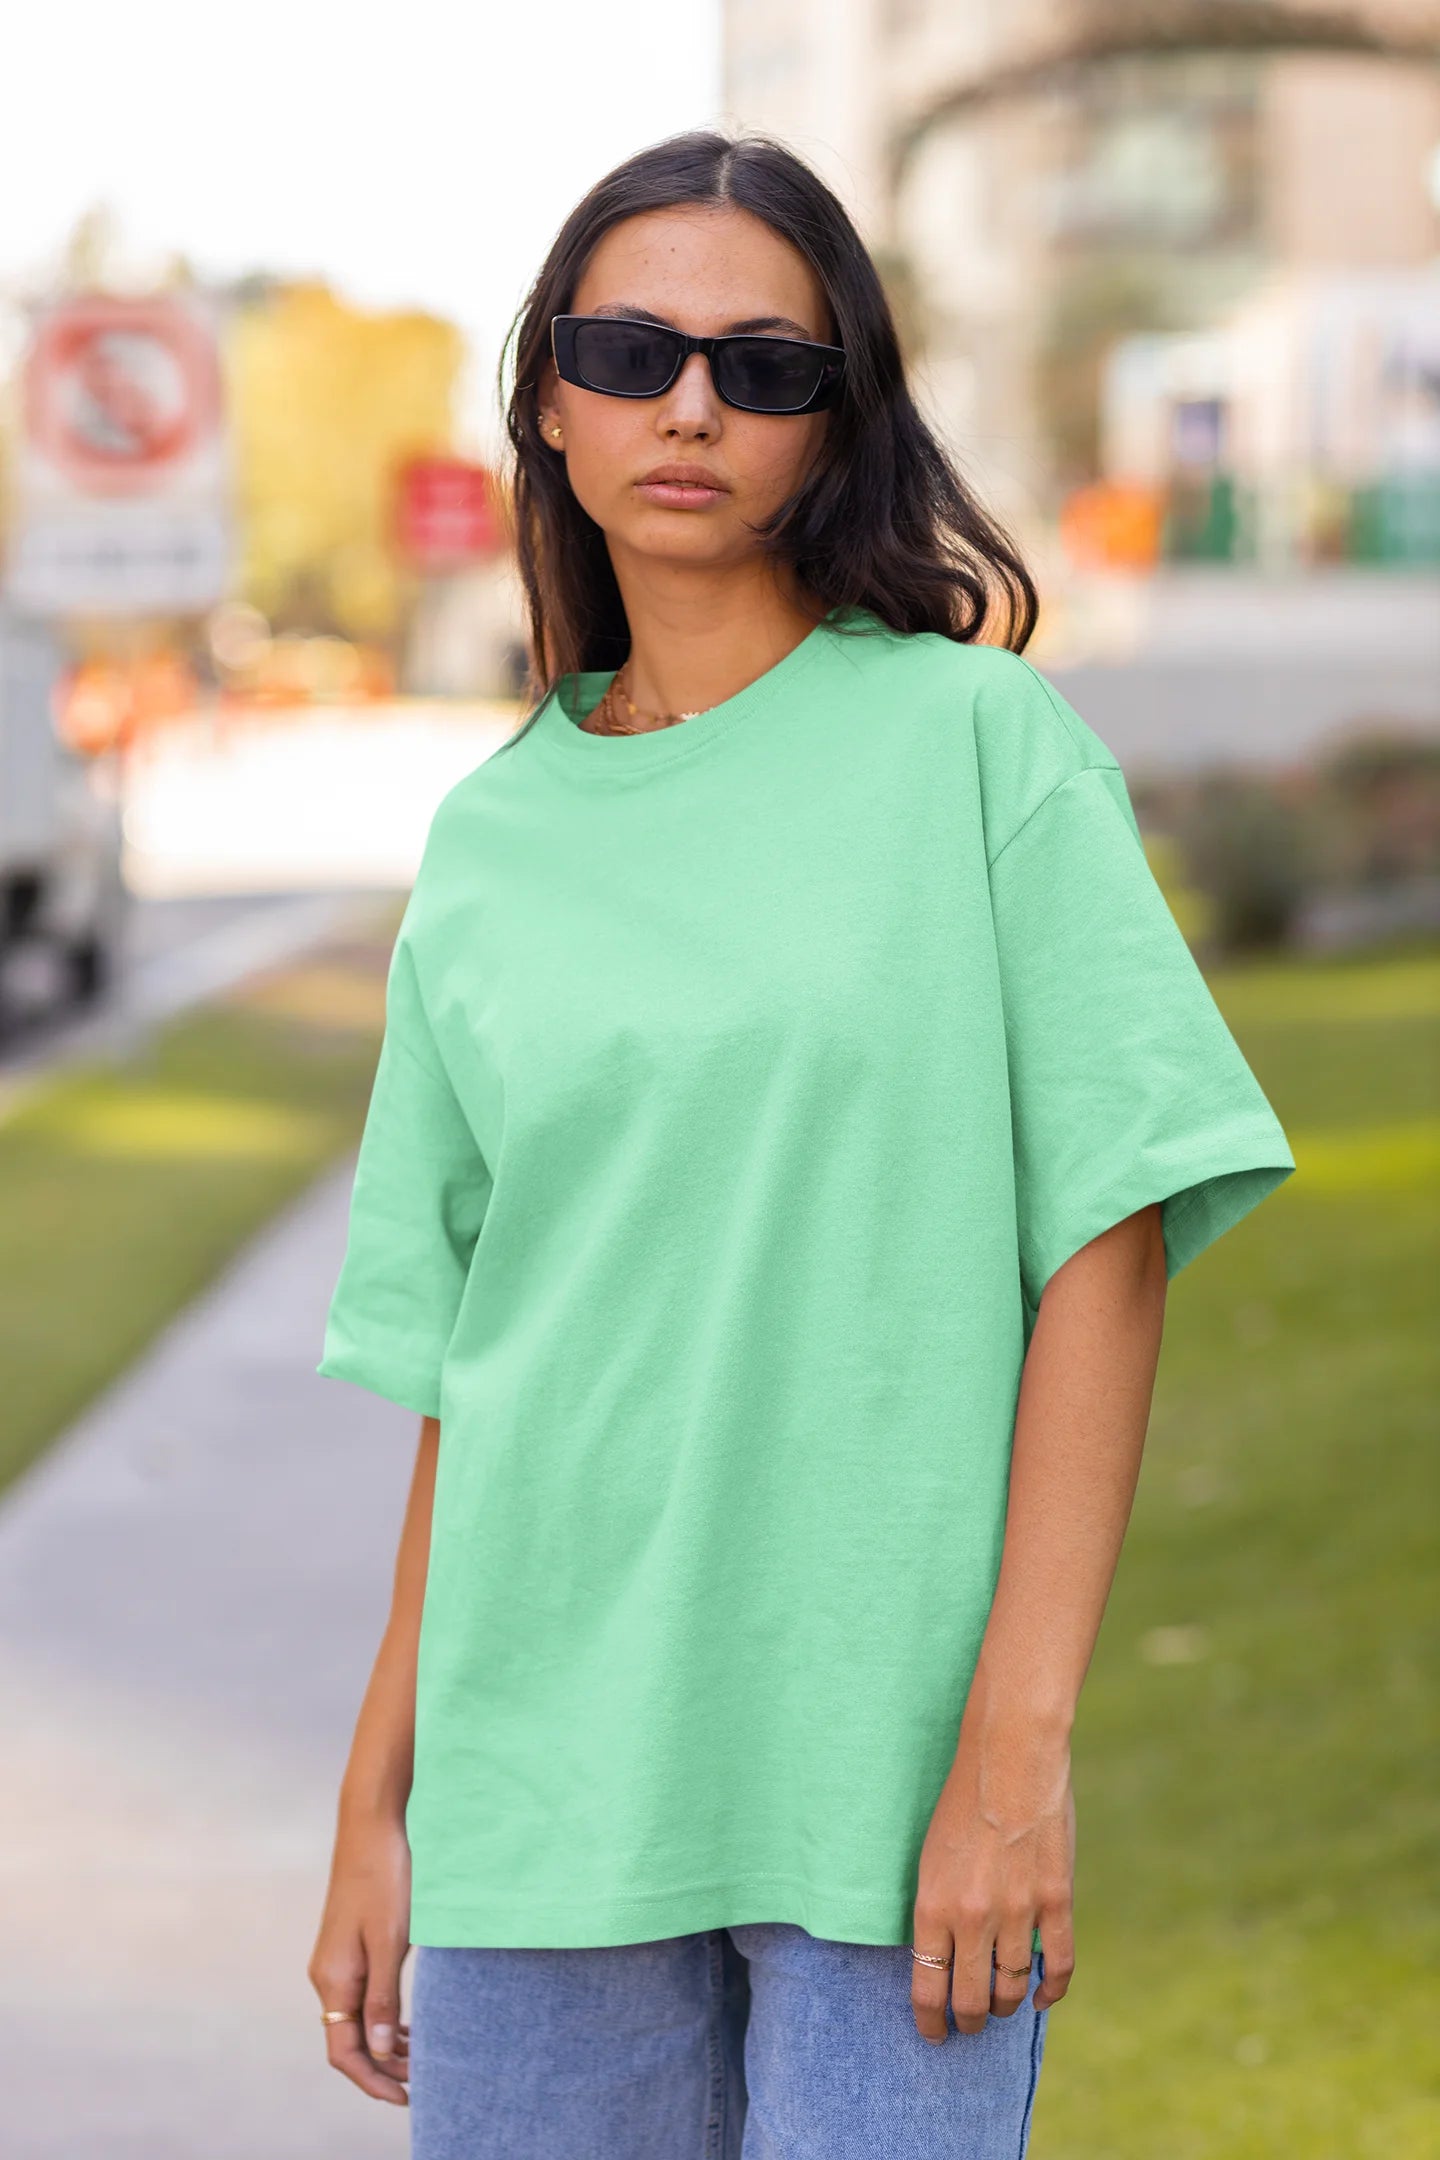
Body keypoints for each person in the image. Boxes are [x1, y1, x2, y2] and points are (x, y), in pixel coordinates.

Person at [307, 129, 1296, 2159]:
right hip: (538, 1802)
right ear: (550, 399)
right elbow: (465, 1368)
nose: (692, 403)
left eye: (765, 367)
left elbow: (1102, 1243)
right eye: (634, 348)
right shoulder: (490, 840)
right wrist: (374, 1803)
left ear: (840, 422)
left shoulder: (982, 749)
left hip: (890, 1788)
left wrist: (1016, 1749)